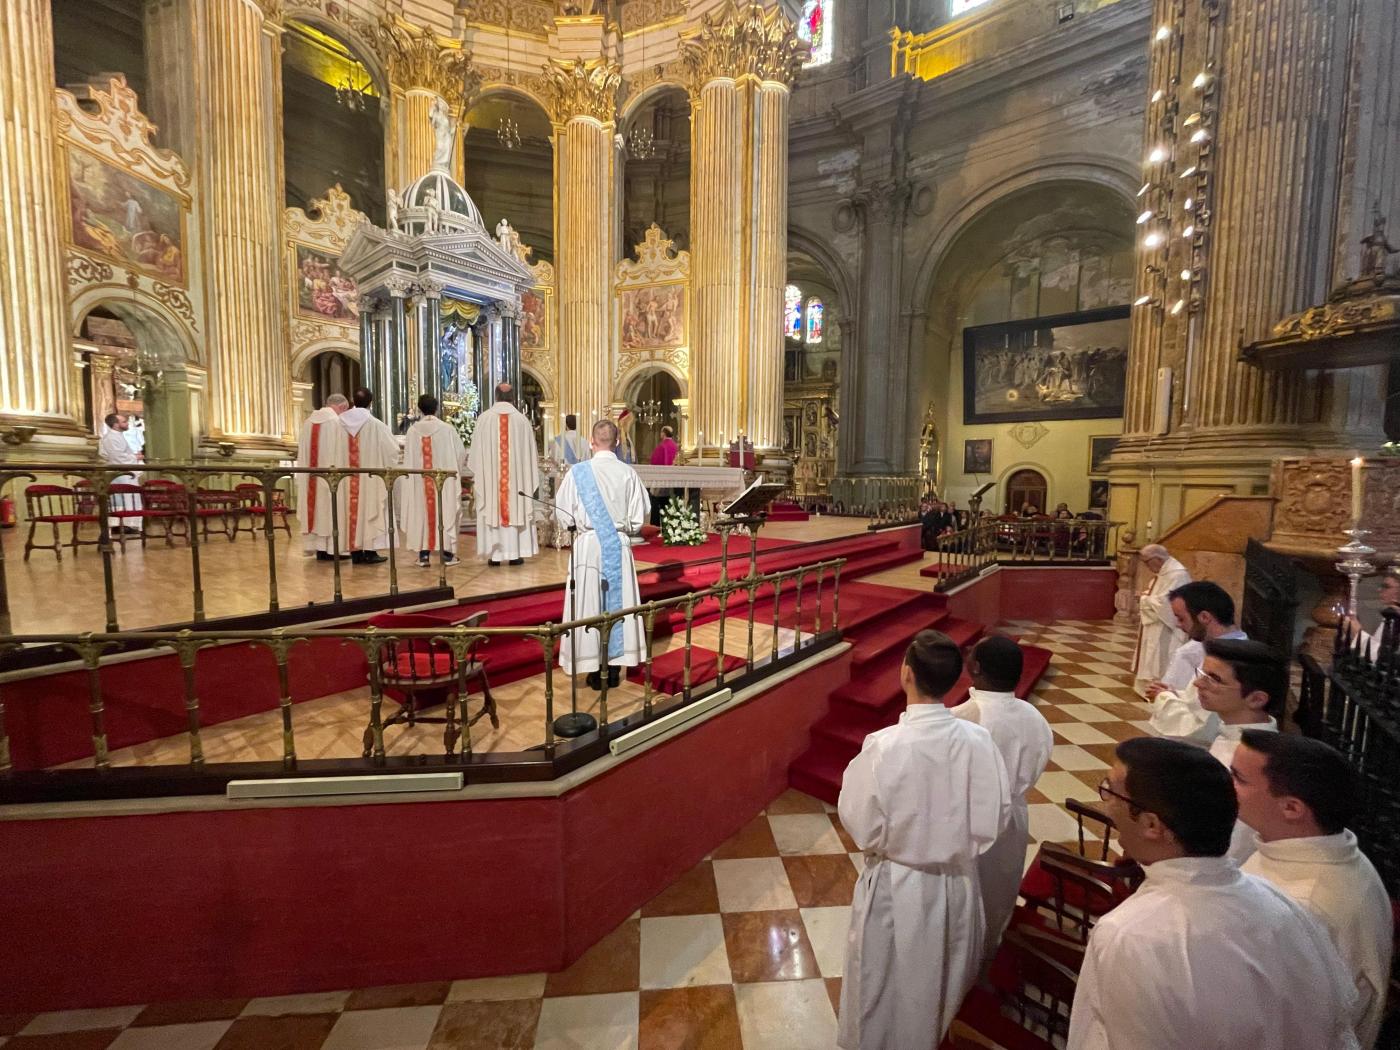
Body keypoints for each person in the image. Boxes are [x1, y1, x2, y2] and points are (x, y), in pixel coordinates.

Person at [1067, 737, 1361, 1050]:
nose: (1104, 806)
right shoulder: (1282, 902)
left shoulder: (1131, 935)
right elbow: (1335, 1022)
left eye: (1110, 792)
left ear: (1152, 824)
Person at [838, 630, 1012, 1050]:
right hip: (957, 881)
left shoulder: (883, 747)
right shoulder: (978, 741)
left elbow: (860, 822)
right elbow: (997, 814)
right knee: (944, 980)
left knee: (884, 985)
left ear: (906, 675)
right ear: (955, 680)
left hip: (898, 887)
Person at [1233, 732, 1392, 1048]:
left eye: (1237, 778)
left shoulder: (1304, 904)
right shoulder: (1313, 848)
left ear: (1292, 808)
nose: (1224, 785)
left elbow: (1287, 1025)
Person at [952, 635, 1053, 965]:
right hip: (1013, 818)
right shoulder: (1033, 717)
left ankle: (962, 966)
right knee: (1000, 889)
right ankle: (990, 954)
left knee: (967, 898)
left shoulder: (962, 719)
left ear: (976, 668)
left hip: (967, 823)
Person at [555, 419, 650, 689]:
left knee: (588, 604)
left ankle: (591, 666)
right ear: (618, 442)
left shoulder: (578, 473)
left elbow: (563, 515)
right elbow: (637, 518)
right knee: (617, 606)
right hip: (617, 546)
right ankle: (613, 665)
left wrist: (577, 526)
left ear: (591, 442)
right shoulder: (627, 473)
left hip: (587, 547)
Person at [1194, 637, 1285, 862]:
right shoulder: (1232, 735)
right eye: (1202, 674)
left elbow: (1232, 846)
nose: (1198, 684)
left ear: (1256, 699)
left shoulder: (1250, 761)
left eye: (1213, 679)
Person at [1147, 581, 1248, 740]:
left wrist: (1164, 698)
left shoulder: (1229, 658)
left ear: (1204, 617)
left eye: (1181, 618)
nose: (1178, 625)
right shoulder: (1218, 649)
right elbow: (1196, 704)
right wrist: (1175, 694)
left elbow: (1203, 728)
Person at [466, 383, 540, 566]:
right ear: (513, 398)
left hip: (491, 483)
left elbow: (474, 456)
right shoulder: (522, 421)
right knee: (515, 505)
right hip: (516, 482)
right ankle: (515, 553)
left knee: (493, 507)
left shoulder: (484, 419)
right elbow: (531, 456)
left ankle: (495, 554)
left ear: (496, 396)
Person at [401, 395, 469, 569]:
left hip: (419, 484)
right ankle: (446, 554)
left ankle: (423, 556)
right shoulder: (447, 429)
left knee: (421, 513)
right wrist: (456, 472)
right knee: (445, 512)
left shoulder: (412, 431)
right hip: (443, 483)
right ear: (437, 408)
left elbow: (408, 459)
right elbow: (460, 454)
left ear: (419, 409)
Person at [336, 388, 399, 565]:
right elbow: (392, 451)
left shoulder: (338, 423)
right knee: (370, 510)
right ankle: (370, 552)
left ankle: (355, 553)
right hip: (371, 480)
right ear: (371, 402)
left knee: (350, 512)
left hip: (345, 480)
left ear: (352, 400)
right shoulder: (377, 425)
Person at [1132, 543, 1191, 696]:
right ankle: (1148, 688)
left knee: (1161, 657)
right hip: (1155, 623)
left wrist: (1144, 599)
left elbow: (1168, 602)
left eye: (1147, 562)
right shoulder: (1165, 572)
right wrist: (1147, 596)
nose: (1146, 566)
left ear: (1157, 559)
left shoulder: (1177, 574)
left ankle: (1161, 690)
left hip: (1166, 625)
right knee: (1152, 653)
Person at [296, 394, 349, 560]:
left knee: (316, 510)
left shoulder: (307, 423)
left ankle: (318, 549)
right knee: (330, 509)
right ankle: (333, 549)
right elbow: (342, 453)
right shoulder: (337, 423)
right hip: (330, 478)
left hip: (309, 479)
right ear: (341, 407)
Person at [98, 412, 143, 535]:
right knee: (124, 499)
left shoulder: (117, 436)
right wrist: (135, 457)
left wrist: (133, 456)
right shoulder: (111, 438)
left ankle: (128, 524)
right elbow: (117, 457)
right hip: (121, 475)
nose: (127, 423)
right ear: (115, 425)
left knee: (129, 499)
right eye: (123, 422)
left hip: (125, 474)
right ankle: (123, 525)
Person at [647, 425, 679, 527]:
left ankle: (655, 526)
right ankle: (667, 527)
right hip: (672, 480)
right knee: (667, 503)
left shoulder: (661, 446)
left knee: (656, 503)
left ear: (664, 433)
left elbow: (654, 462)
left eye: (661, 433)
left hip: (660, 480)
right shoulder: (675, 446)